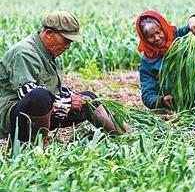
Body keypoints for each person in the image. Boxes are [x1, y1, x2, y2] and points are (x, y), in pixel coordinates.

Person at [0, 11, 123, 144]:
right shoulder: (24, 53)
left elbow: (54, 90)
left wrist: (75, 97)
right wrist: (68, 103)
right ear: (48, 34)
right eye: (66, 40)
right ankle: (36, 146)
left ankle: (123, 135)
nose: (68, 46)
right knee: (40, 96)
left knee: (89, 99)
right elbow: (28, 93)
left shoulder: (48, 53)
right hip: (12, 117)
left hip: (42, 110)